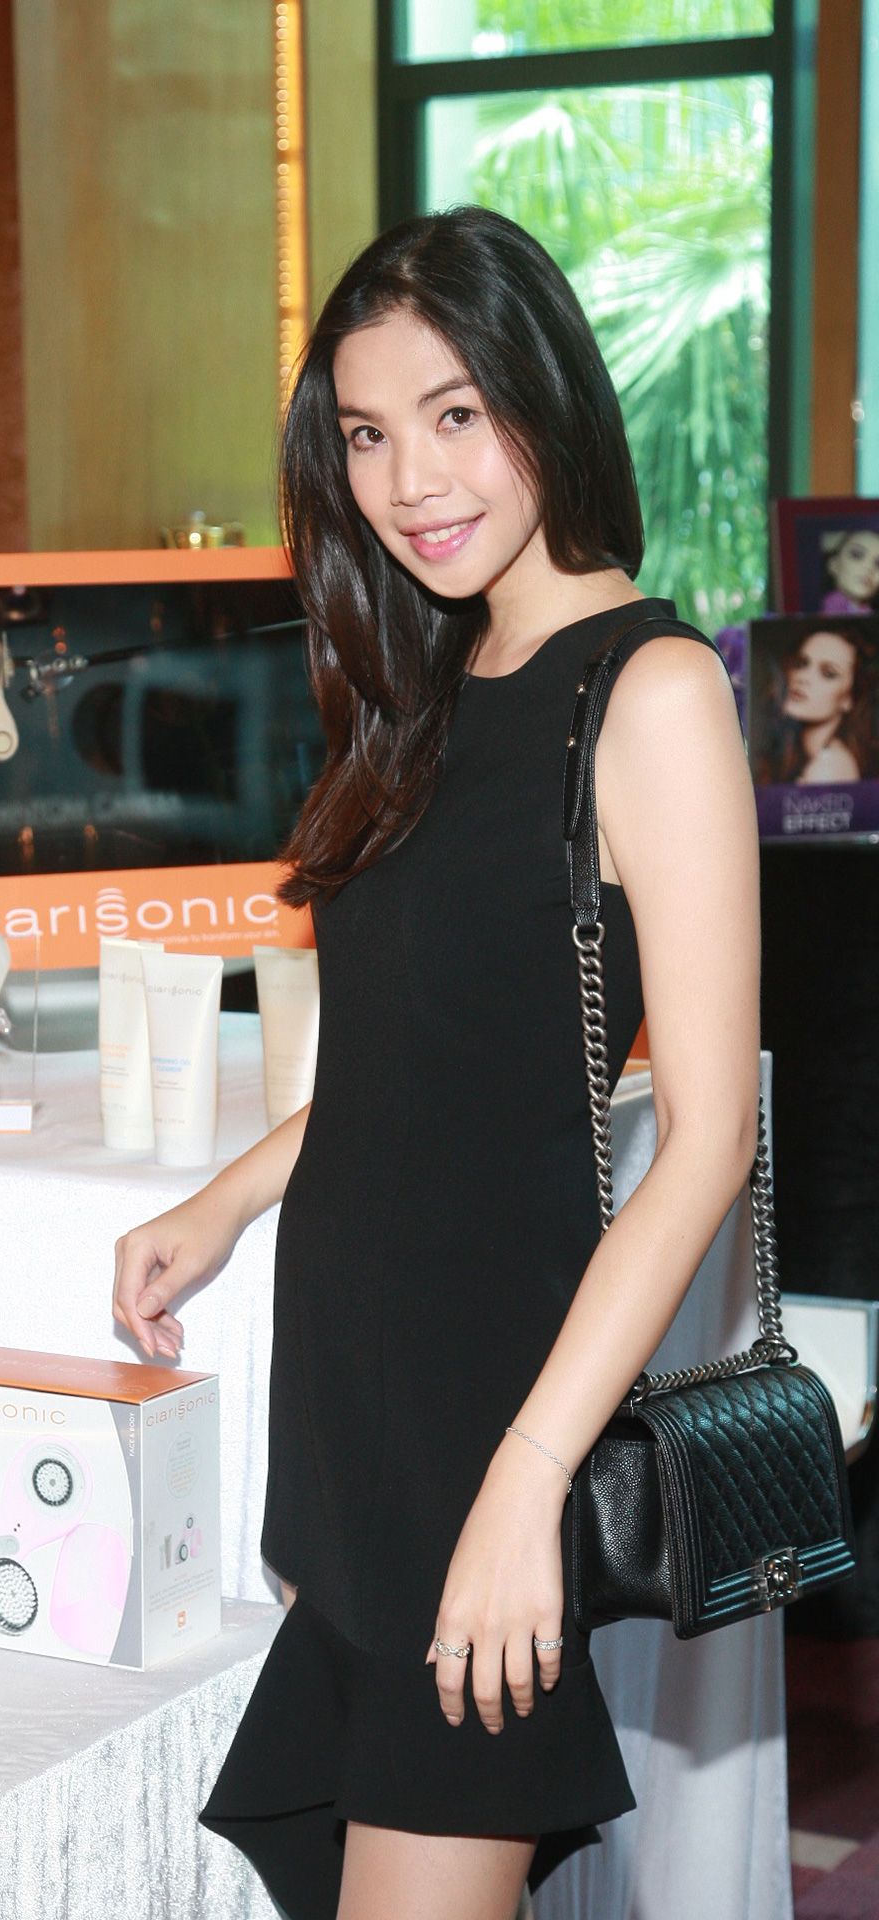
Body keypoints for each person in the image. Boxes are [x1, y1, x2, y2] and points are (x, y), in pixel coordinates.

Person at [111, 207, 760, 1920]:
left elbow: (708, 1131)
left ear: (547, 396)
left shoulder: (652, 692)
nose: (412, 481)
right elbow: (425, 1062)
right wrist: (225, 1201)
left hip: (488, 1421)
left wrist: (527, 1480)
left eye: (456, 414)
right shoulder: (431, 680)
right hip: (360, 1417)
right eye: (367, 434)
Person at [757, 626, 875, 785]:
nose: (803, 677)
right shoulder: (806, 757)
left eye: (828, 673)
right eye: (801, 664)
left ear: (849, 699)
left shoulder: (829, 768)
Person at [819, 527, 879, 614]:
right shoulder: (829, 607)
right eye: (857, 555)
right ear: (834, 564)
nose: (869, 567)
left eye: (878, 563)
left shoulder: (867, 610)